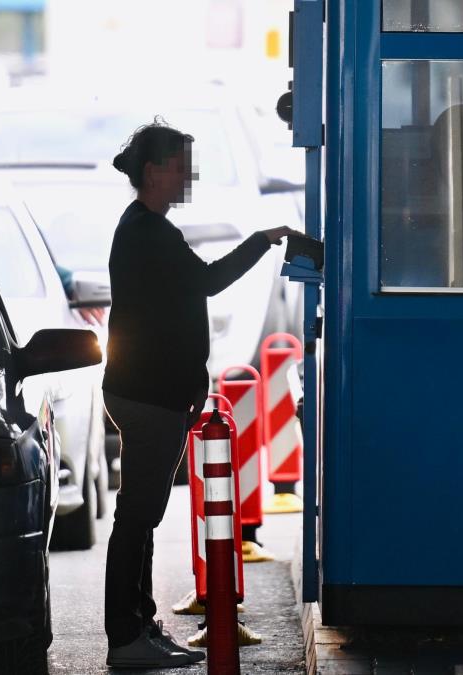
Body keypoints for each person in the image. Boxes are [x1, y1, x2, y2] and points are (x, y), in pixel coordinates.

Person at [103, 119, 299, 669]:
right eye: (181, 165)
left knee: (140, 518)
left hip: (146, 390)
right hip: (149, 394)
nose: (188, 175)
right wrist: (262, 242)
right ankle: (125, 636)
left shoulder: (144, 227)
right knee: (137, 519)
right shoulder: (150, 233)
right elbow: (207, 283)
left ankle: (140, 624)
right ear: (153, 171)